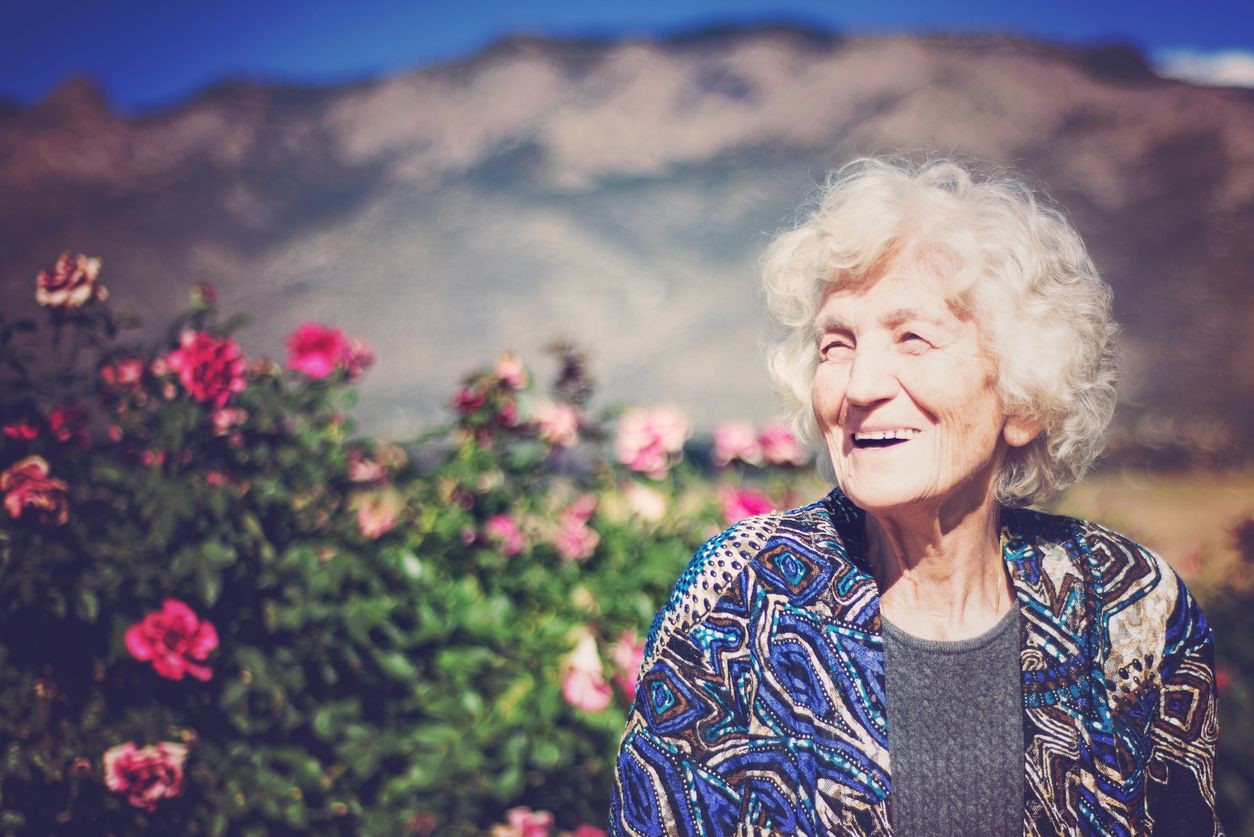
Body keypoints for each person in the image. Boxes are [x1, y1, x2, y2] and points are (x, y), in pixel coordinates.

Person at [610, 157, 1221, 836]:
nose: (862, 384)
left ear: (1022, 393)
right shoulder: (736, 596)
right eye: (836, 344)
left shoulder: (1134, 609)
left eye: (913, 337)